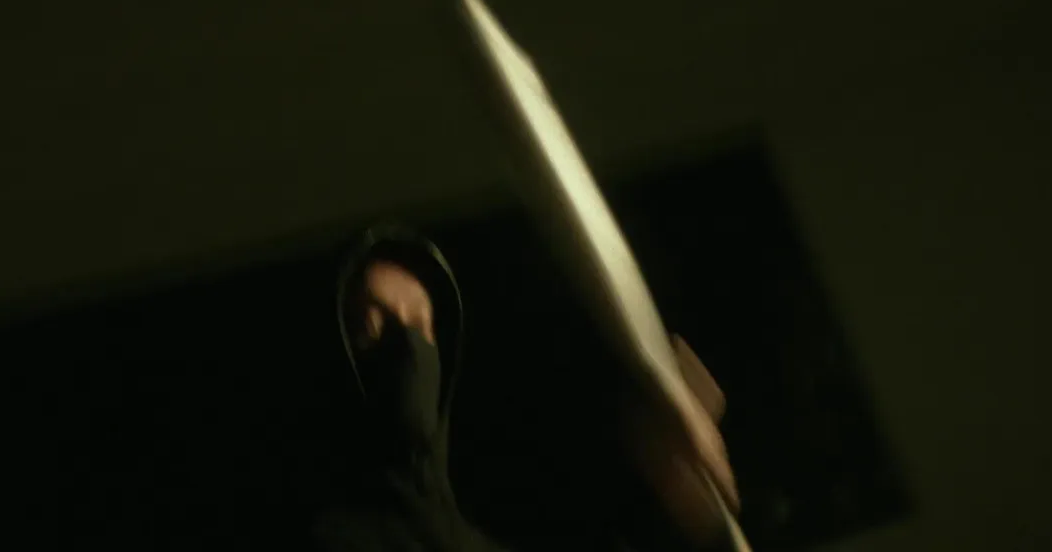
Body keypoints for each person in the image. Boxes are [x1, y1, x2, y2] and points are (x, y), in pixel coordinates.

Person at [310, 224, 739, 552]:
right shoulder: (330, 540)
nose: (407, 347)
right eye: (373, 325)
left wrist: (677, 494)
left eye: (422, 325)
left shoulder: (470, 525)